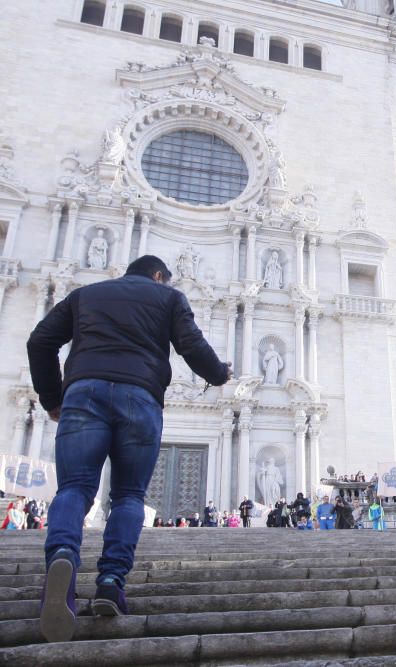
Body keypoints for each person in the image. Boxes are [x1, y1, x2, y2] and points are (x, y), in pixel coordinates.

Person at [27, 254, 231, 642]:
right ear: (159, 276)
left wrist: (52, 396)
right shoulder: (168, 298)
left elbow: (40, 341)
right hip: (140, 397)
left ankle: (63, 557)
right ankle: (110, 581)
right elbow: (191, 344)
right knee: (128, 496)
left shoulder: (85, 294)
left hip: (83, 392)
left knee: (74, 489)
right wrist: (219, 373)